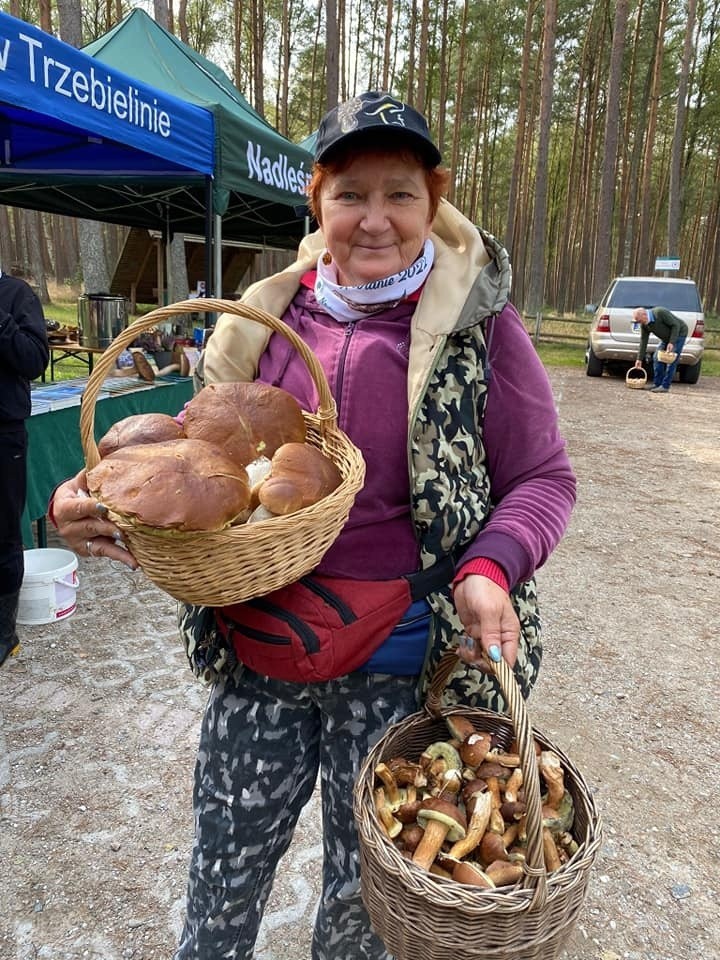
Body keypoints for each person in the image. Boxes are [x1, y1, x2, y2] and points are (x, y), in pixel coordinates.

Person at [50, 92, 576, 960]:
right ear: (316, 199)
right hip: (259, 643)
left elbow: (543, 478)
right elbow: (181, 461)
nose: (375, 220)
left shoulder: (482, 328)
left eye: (400, 194)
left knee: (364, 902)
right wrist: (83, 497)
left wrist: (491, 566)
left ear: (435, 200)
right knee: (224, 868)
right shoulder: (262, 323)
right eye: (350, 194)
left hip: (403, 662)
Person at [0, 269, 49, 666]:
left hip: (4, 433)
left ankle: (4, 633)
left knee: (2, 533)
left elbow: (33, 360)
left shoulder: (16, 295)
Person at [633, 306, 688, 392]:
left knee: (671, 360)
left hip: (679, 333)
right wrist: (639, 359)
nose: (639, 323)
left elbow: (675, 325)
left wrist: (672, 342)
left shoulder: (659, 313)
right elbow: (643, 341)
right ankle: (657, 384)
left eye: (639, 320)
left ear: (644, 315)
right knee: (656, 357)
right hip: (666, 338)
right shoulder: (644, 325)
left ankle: (665, 386)